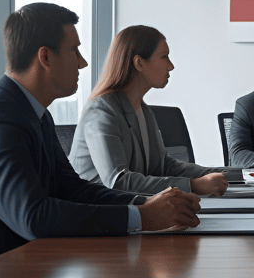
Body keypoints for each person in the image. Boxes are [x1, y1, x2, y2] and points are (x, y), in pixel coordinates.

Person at [0, 3, 200, 263]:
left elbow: (73, 190)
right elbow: (33, 217)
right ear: (45, 57)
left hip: (19, 260)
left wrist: (150, 203)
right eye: (75, 51)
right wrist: (143, 216)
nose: (83, 63)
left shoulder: (33, 113)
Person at [69, 26, 228, 196]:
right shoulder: (101, 111)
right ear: (139, 63)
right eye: (164, 56)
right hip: (95, 213)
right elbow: (118, 181)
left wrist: (229, 174)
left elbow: (162, 166)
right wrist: (193, 185)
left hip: (129, 207)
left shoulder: (143, 110)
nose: (171, 66)